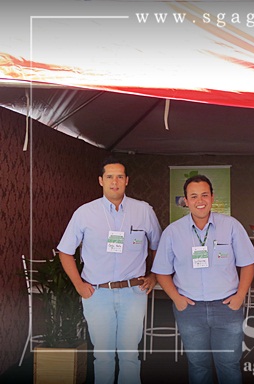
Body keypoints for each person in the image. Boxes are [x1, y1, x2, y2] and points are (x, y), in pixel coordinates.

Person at [57, 156, 162, 384]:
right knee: (103, 356)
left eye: (120, 177)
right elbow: (64, 251)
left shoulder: (143, 211)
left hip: (133, 292)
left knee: (129, 355)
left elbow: (159, 248)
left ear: (127, 180)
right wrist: (79, 285)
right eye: (110, 177)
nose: (115, 182)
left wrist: (154, 276)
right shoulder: (85, 213)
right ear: (101, 180)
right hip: (97, 293)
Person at [152, 174, 254, 384]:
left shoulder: (231, 226)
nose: (199, 201)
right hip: (190, 309)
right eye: (193, 196)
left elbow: (248, 263)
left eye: (204, 195)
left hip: (227, 307)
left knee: (229, 365)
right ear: (186, 200)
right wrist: (177, 299)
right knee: (198, 366)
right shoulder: (173, 232)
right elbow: (161, 271)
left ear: (212, 197)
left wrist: (240, 296)